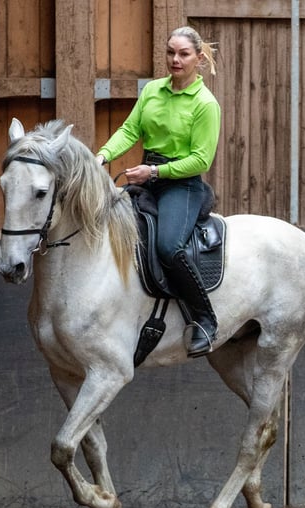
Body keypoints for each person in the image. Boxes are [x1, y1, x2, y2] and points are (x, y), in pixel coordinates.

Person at [95, 26, 221, 357]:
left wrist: (153, 171)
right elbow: (129, 130)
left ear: (198, 58)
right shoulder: (152, 90)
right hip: (147, 178)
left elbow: (200, 160)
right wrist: (102, 156)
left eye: (183, 54)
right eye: (170, 52)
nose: (175, 60)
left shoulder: (206, 104)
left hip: (183, 184)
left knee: (167, 246)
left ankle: (205, 319)